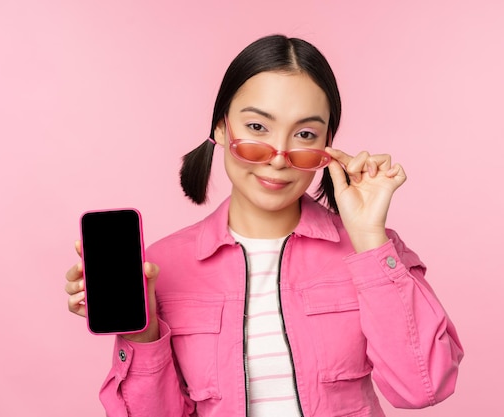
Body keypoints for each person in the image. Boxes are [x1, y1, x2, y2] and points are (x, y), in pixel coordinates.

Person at [65, 34, 463, 417]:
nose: (278, 157)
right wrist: (141, 333)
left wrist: (370, 241)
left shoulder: (373, 252)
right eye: (257, 127)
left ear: (327, 145)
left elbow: (423, 388)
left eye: (305, 134)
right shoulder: (161, 266)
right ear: (221, 126)